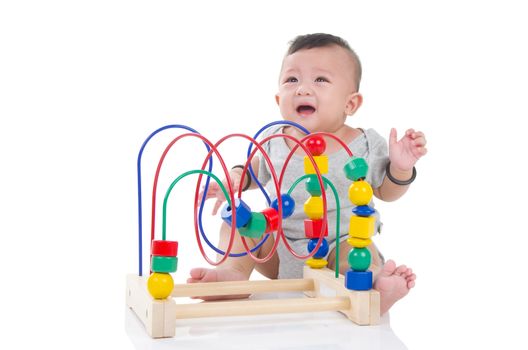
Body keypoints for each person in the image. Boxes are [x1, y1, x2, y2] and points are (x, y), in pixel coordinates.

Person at [188, 33, 427, 314]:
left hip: (338, 244)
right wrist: (236, 178)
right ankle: (233, 272)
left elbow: (386, 192)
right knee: (236, 224)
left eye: (320, 80)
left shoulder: (362, 143)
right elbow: (253, 171)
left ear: (350, 104)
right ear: (278, 98)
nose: (302, 89)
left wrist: (400, 167)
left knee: (355, 255)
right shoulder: (273, 140)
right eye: (292, 80)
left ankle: (374, 286)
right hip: (279, 246)